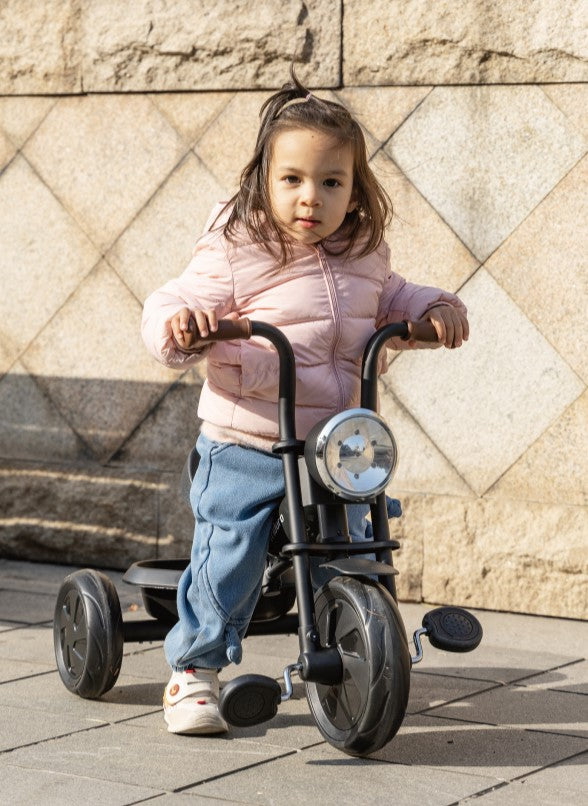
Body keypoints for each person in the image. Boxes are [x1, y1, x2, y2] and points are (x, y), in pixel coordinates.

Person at [141, 72, 469, 736]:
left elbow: (394, 297)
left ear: (355, 188)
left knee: (351, 547)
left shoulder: (364, 252)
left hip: (335, 448)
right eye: (292, 179)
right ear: (264, 179)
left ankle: (354, 642)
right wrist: (184, 324)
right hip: (247, 442)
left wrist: (434, 310)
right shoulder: (237, 248)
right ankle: (193, 672)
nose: (310, 198)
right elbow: (173, 299)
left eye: (331, 181)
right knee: (229, 552)